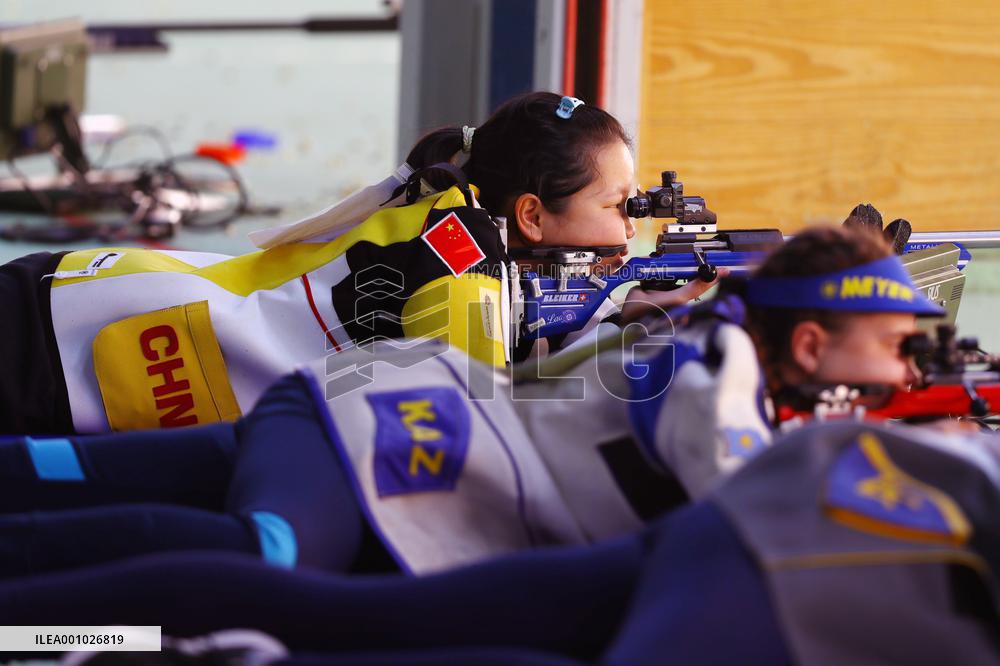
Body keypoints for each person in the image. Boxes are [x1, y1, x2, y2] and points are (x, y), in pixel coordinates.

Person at [0, 225, 956, 580]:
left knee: (59, 471)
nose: (909, 371)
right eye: (898, 347)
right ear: (810, 340)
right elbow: (746, 493)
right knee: (266, 556)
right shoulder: (722, 374)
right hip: (366, 446)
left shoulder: (711, 340)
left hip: (359, 423)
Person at [0, 91, 718, 436]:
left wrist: (620, 306)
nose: (631, 226)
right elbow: (490, 419)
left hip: (91, 314)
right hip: (57, 347)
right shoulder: (464, 276)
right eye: (620, 205)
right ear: (531, 215)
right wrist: (632, 313)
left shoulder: (451, 211)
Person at [1, 421, 996, 666]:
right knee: (272, 560)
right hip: (359, 431)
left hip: (787, 541)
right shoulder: (718, 351)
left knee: (332, 617)